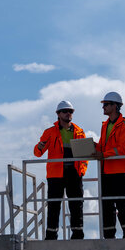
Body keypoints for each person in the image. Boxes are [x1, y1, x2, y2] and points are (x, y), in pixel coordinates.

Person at [34, 100, 88, 240]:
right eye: (65, 111)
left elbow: (85, 155)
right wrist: (40, 146)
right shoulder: (50, 132)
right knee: (54, 204)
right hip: (56, 173)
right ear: (58, 114)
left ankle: (77, 234)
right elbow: (38, 152)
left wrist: (81, 170)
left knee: (76, 203)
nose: (68, 114)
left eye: (71, 111)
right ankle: (51, 235)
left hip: (74, 172)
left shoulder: (79, 132)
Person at [94, 92, 125, 239]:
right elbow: (103, 146)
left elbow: (124, 148)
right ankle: (109, 235)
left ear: (115, 106)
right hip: (105, 170)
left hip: (119, 171)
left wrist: (103, 154)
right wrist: (93, 148)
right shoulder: (105, 126)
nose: (103, 107)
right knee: (106, 204)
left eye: (105, 104)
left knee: (121, 202)